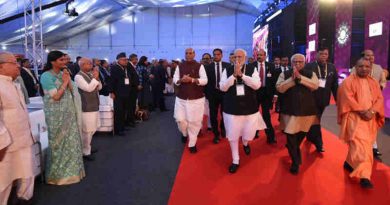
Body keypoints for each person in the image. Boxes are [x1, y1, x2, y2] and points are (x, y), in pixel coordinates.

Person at [337, 58, 384, 189]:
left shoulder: (374, 82)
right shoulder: (348, 82)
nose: (364, 69)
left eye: (367, 67)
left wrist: (372, 112)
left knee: (364, 145)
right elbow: (347, 98)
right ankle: (365, 176)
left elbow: (379, 99)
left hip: (370, 119)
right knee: (363, 147)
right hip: (354, 119)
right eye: (361, 66)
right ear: (355, 67)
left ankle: (348, 163)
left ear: (370, 68)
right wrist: (362, 112)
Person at [40, 50, 85, 185]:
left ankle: (73, 172)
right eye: (61, 60)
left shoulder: (62, 73)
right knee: (58, 144)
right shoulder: (46, 76)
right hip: (56, 116)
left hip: (69, 113)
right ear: (52, 62)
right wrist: (65, 82)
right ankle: (57, 175)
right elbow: (56, 96)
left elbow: (73, 90)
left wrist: (67, 80)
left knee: (72, 143)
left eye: (65, 60)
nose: (64, 62)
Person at [220, 49, 267, 173]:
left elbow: (257, 85)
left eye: (239, 57)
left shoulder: (252, 69)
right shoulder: (227, 70)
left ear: (245, 58)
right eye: (234, 57)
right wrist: (234, 76)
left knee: (248, 133)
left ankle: (245, 143)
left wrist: (242, 76)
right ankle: (235, 160)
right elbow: (223, 87)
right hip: (231, 108)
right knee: (233, 135)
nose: (237, 59)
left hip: (249, 108)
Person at [0, 51, 36, 205]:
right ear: (1, 67)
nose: (18, 66)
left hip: (23, 139)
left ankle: (24, 198)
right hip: (6, 144)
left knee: (27, 171)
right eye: (14, 63)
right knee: (4, 179)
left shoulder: (14, 83)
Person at [276, 53, 319, 174]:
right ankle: (296, 162)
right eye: (295, 62)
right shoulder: (284, 74)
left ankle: (292, 149)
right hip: (289, 111)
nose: (298, 64)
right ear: (291, 63)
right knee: (291, 136)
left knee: (301, 135)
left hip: (307, 111)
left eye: (300, 62)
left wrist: (300, 78)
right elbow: (279, 88)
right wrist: (292, 80)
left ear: (304, 63)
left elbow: (315, 85)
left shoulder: (311, 73)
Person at [351, 49, 387, 159]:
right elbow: (352, 81)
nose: (370, 58)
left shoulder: (378, 68)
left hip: (375, 101)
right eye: (368, 55)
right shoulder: (356, 68)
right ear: (362, 57)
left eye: (372, 55)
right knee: (361, 126)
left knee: (373, 124)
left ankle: (374, 147)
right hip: (361, 101)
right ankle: (360, 150)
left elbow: (383, 81)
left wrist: (379, 88)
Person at [173, 48, 208, 153]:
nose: (188, 55)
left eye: (190, 53)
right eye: (186, 53)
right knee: (180, 120)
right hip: (181, 99)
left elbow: (205, 80)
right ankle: (184, 133)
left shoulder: (199, 66)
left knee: (194, 122)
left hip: (196, 99)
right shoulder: (180, 66)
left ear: (194, 54)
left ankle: (192, 143)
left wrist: (192, 80)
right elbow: (175, 79)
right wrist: (180, 80)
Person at [305, 47, 338, 152]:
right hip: (311, 99)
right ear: (316, 54)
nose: (323, 56)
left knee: (315, 120)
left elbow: (335, 86)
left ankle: (310, 136)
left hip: (324, 100)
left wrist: (338, 101)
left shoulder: (332, 67)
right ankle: (319, 143)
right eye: (321, 54)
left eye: (326, 54)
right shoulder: (309, 66)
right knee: (316, 120)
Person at [75, 58, 102, 161]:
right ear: (82, 65)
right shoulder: (78, 76)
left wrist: (96, 78)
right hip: (86, 107)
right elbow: (88, 88)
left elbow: (99, 87)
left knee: (92, 129)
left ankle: (87, 147)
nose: (91, 65)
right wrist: (95, 79)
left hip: (94, 104)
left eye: (91, 63)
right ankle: (85, 151)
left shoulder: (90, 75)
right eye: (89, 63)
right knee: (87, 130)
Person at [205, 48, 230, 144]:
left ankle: (223, 129)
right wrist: (207, 94)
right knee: (213, 114)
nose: (216, 56)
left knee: (225, 113)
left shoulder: (227, 66)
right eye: (214, 54)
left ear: (222, 55)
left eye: (218, 54)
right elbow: (206, 83)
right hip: (212, 94)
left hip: (225, 93)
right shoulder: (208, 67)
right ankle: (216, 133)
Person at [110, 52, 138, 135]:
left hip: (126, 93)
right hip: (118, 93)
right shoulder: (115, 68)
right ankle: (118, 130)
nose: (126, 61)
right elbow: (112, 81)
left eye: (126, 60)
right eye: (124, 60)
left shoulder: (125, 68)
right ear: (119, 60)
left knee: (124, 111)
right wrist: (111, 92)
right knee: (119, 111)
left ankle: (122, 127)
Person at [253, 49, 277, 143]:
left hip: (267, 94)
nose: (259, 56)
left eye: (261, 55)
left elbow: (274, 81)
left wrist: (275, 94)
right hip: (254, 94)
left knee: (266, 116)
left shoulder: (271, 66)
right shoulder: (252, 66)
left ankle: (270, 137)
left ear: (265, 55)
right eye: (257, 55)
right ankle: (254, 132)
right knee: (254, 115)